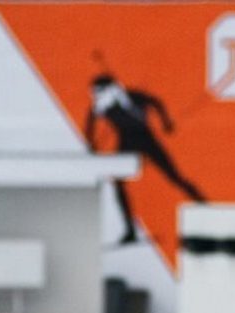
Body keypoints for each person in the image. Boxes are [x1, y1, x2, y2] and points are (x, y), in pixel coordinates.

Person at [83, 73, 206, 245]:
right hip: (127, 143)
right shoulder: (102, 106)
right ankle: (130, 230)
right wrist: (90, 142)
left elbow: (154, 102)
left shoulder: (131, 97)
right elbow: (91, 122)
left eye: (99, 91)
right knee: (118, 184)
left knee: (174, 177)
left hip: (147, 140)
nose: (96, 95)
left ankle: (206, 207)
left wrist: (166, 122)